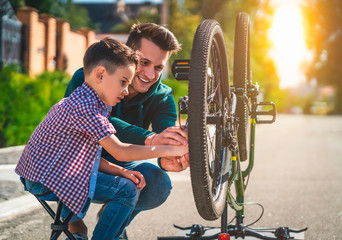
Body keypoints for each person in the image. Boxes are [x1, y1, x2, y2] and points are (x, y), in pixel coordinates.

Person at [15, 38, 188, 240]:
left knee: (127, 181)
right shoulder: (87, 108)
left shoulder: (85, 100)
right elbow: (120, 151)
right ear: (100, 75)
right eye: (123, 82)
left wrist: (121, 170)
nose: (125, 90)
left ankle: (85, 230)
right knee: (127, 190)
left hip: (45, 173)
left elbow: (88, 156)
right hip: (48, 177)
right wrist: (168, 149)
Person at [64, 23, 190, 239]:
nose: (150, 75)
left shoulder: (163, 97)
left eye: (158, 67)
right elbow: (95, 120)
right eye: (144, 63)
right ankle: (73, 222)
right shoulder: (90, 76)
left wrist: (168, 156)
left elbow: (164, 141)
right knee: (64, 160)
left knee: (159, 183)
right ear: (130, 54)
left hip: (122, 164)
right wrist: (150, 139)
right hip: (76, 161)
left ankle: (114, 222)